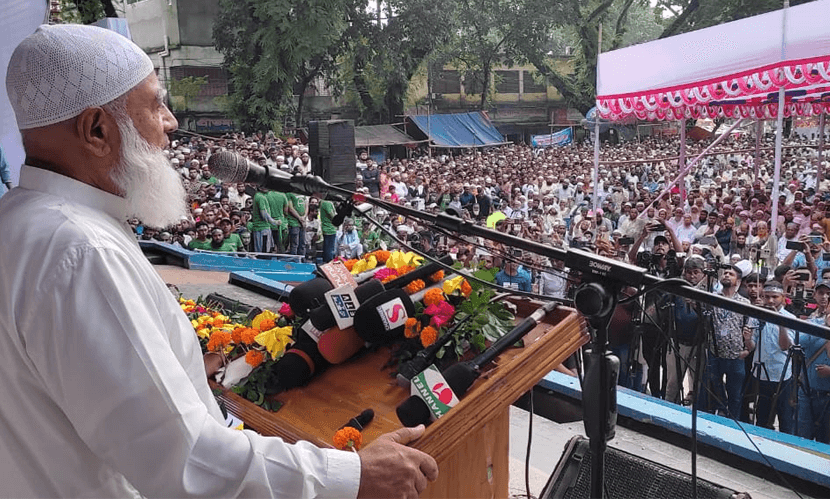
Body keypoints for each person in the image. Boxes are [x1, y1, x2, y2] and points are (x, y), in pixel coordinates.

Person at [0, 24, 437, 498]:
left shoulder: (22, 223)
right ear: (97, 130)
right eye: (154, 104)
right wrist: (353, 477)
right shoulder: (82, 253)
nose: (170, 122)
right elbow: (185, 460)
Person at [698, 266, 756, 418]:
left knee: (735, 396)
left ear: (738, 280)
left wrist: (747, 350)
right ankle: (721, 412)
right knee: (714, 389)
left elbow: (750, 331)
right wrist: (709, 275)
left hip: (736, 356)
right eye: (725, 273)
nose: (727, 275)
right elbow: (693, 296)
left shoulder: (744, 303)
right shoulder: (713, 298)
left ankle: (733, 424)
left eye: (731, 274)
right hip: (715, 353)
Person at [744, 281, 796, 434]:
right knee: (762, 418)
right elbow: (752, 347)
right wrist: (747, 339)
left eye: (775, 297)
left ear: (783, 297)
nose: (771, 301)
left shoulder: (790, 317)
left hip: (781, 375)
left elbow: (785, 346)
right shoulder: (757, 314)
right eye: (767, 297)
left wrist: (781, 325)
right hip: (761, 374)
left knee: (785, 419)